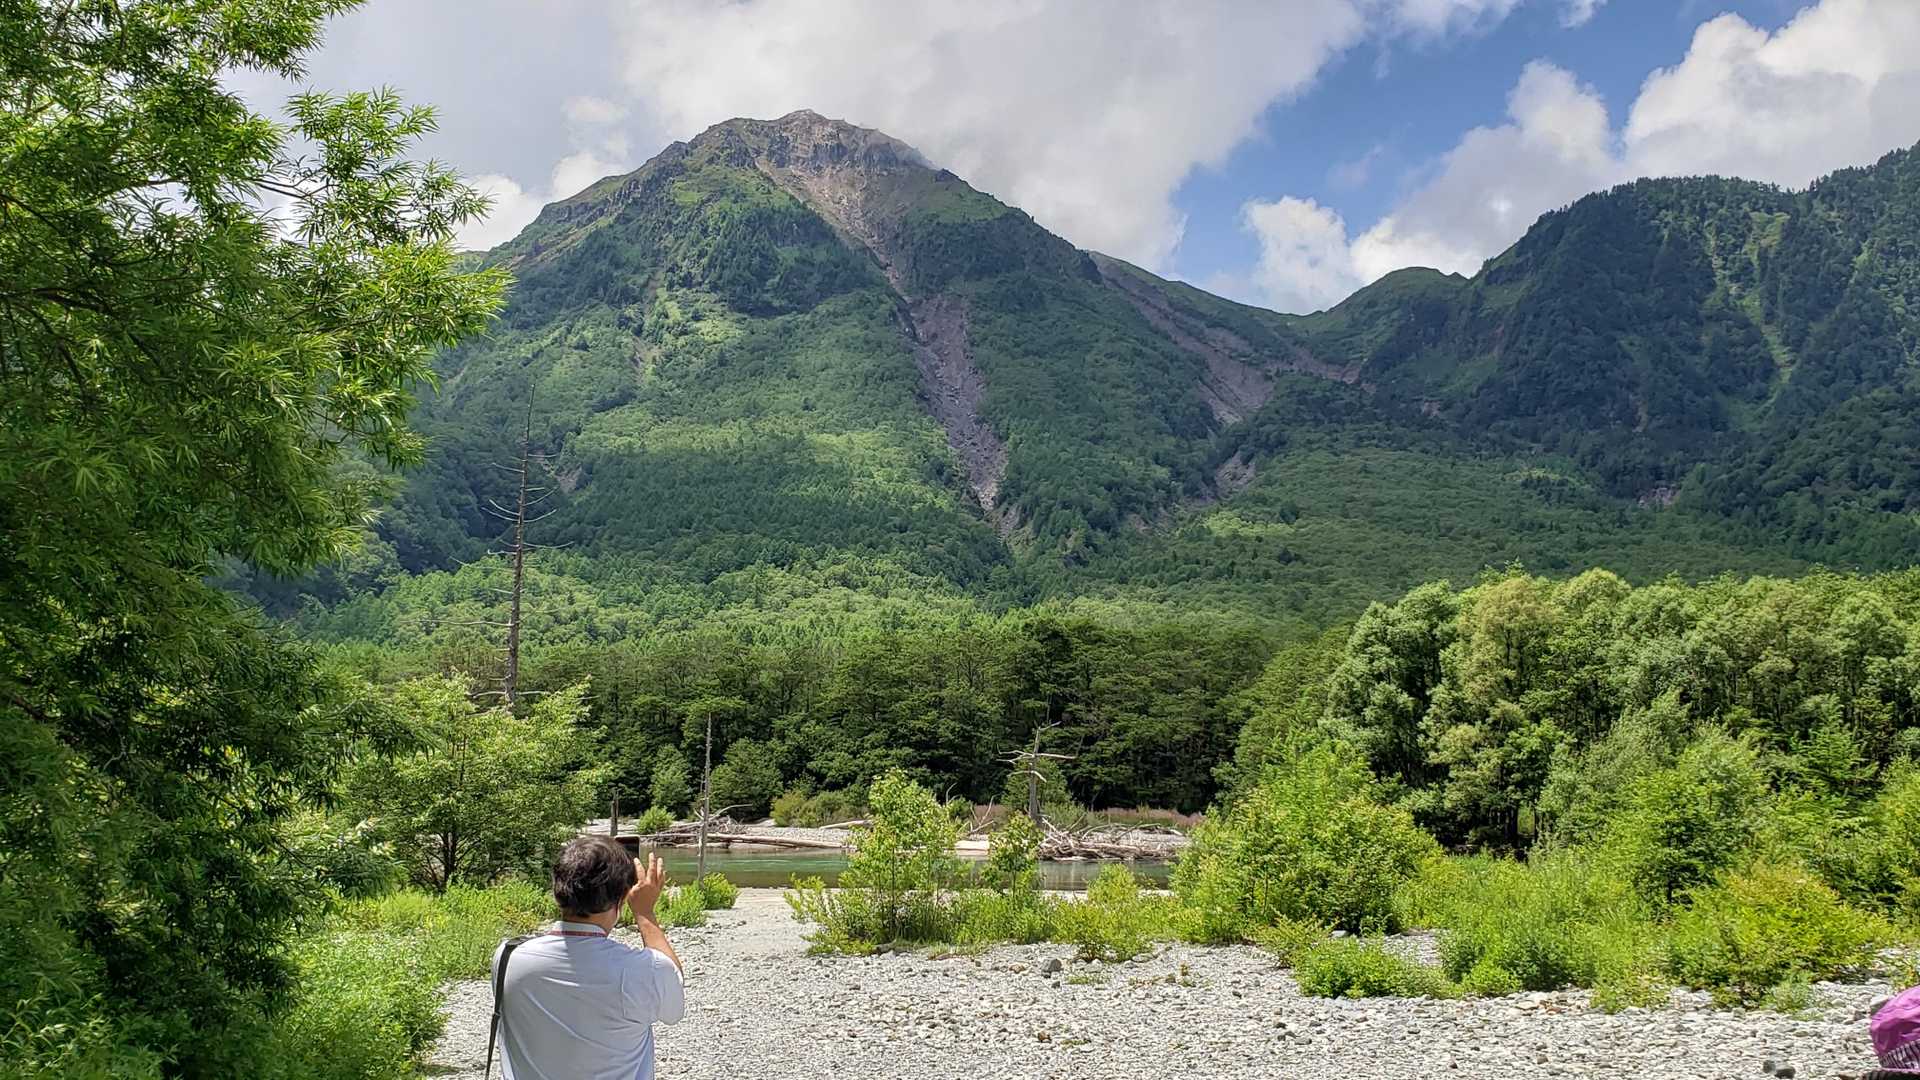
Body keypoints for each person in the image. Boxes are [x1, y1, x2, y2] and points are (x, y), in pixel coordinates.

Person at [490, 838, 686, 1079]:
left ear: (557, 893)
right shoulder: (640, 970)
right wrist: (644, 913)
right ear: (622, 897)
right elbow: (673, 995)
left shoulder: (508, 956)